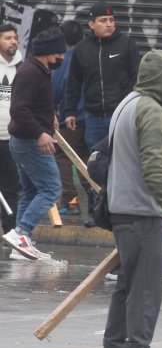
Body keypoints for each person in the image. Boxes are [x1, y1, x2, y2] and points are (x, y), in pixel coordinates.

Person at [97, 50, 162, 348]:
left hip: (124, 209)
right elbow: (153, 164)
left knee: (129, 284)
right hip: (143, 211)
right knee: (146, 287)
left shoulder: (127, 104)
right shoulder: (151, 110)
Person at [1, 28, 67, 260]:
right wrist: (40, 134)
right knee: (51, 189)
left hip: (23, 140)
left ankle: (21, 244)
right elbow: (19, 108)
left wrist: (51, 117)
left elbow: (34, 104)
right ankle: (21, 232)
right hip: (30, 142)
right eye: (60, 53)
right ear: (49, 52)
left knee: (30, 190)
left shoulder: (38, 70)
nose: (62, 58)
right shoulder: (31, 72)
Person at [64, 0, 140, 148]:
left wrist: (130, 107)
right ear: (91, 24)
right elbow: (74, 82)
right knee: (96, 160)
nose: (109, 24)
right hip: (93, 118)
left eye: (111, 20)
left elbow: (137, 78)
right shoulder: (82, 48)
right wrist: (69, 111)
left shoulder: (127, 45)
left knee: (122, 156)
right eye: (103, 21)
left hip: (121, 115)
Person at [52, 20, 91, 215]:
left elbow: (55, 91)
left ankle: (69, 199)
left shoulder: (61, 62)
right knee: (85, 157)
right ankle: (94, 195)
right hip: (90, 118)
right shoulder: (89, 58)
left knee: (62, 157)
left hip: (69, 118)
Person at [0, 23, 22, 236]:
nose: (13, 41)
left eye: (15, 37)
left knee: (10, 186)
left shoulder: (22, 67)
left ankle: (10, 230)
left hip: (11, 137)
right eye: (8, 38)